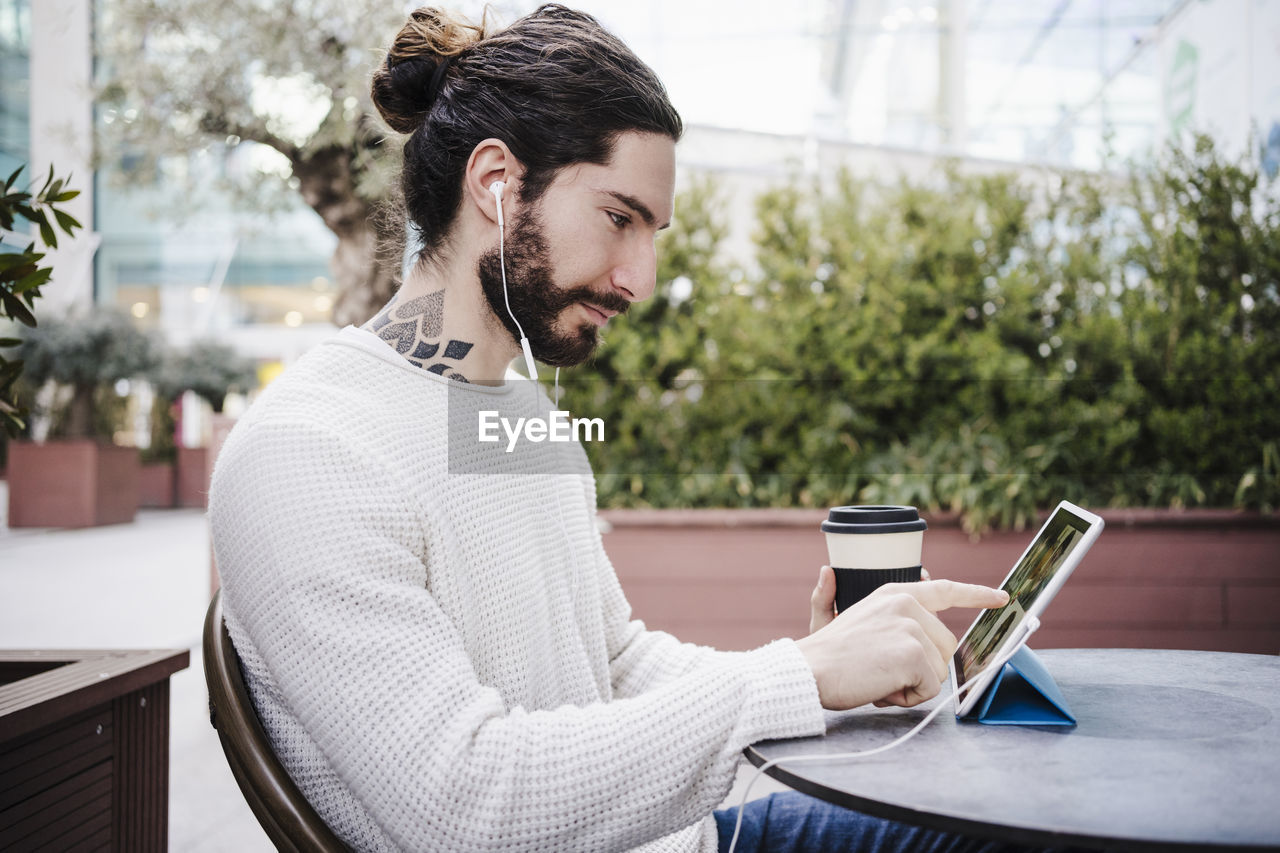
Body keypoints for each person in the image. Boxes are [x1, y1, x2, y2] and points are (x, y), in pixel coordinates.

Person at [209, 6, 1068, 852]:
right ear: (496, 182)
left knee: (1031, 811)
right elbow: (464, 805)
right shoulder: (308, 450)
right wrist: (794, 679)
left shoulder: (522, 416)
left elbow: (611, 663)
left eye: (652, 232)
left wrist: (830, 668)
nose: (641, 280)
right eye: (620, 217)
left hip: (688, 840)